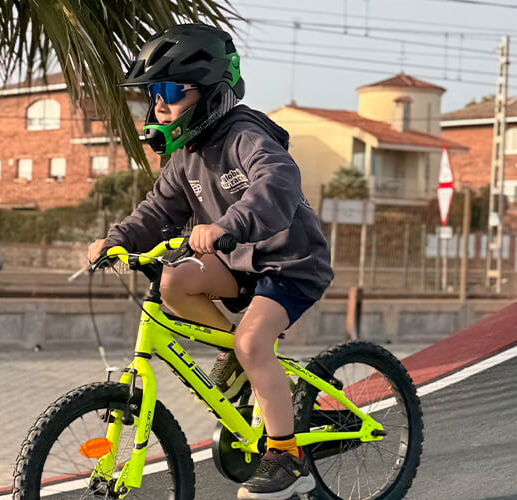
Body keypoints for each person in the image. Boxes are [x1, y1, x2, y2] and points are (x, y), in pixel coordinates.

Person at [87, 24, 333, 500]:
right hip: (238, 262)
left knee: (254, 341)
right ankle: (235, 357)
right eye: (153, 94)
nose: (158, 105)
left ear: (210, 92)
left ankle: (288, 458)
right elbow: (157, 210)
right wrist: (116, 241)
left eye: (170, 92)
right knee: (173, 282)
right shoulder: (185, 156)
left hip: (289, 263)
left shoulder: (245, 134)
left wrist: (228, 225)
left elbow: (277, 181)